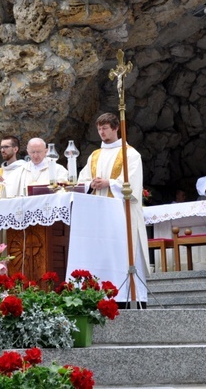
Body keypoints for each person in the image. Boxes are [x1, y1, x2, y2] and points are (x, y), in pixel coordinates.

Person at [78, 113, 148, 306]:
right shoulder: (94, 156)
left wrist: (108, 182)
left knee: (122, 254)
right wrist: (90, 183)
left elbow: (133, 184)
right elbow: (82, 180)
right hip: (98, 215)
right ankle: (101, 294)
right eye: (99, 129)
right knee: (101, 254)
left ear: (116, 128)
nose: (102, 132)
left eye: (105, 128)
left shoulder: (130, 154)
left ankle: (129, 297)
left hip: (120, 214)